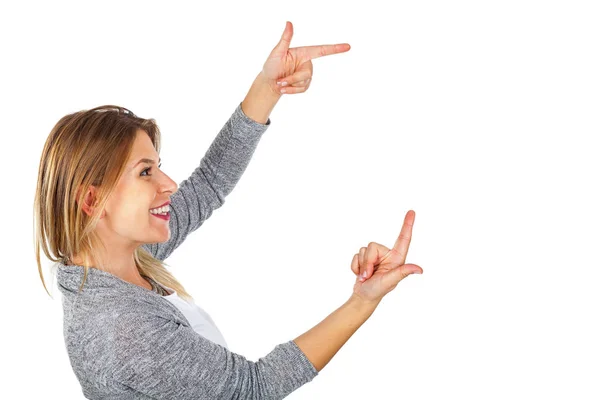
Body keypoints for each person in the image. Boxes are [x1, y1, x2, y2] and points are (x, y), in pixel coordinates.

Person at [34, 21, 422, 399]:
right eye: (145, 172)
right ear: (91, 201)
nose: (168, 184)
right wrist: (363, 301)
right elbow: (255, 389)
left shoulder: (116, 260)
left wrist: (269, 87)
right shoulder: (124, 330)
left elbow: (208, 184)